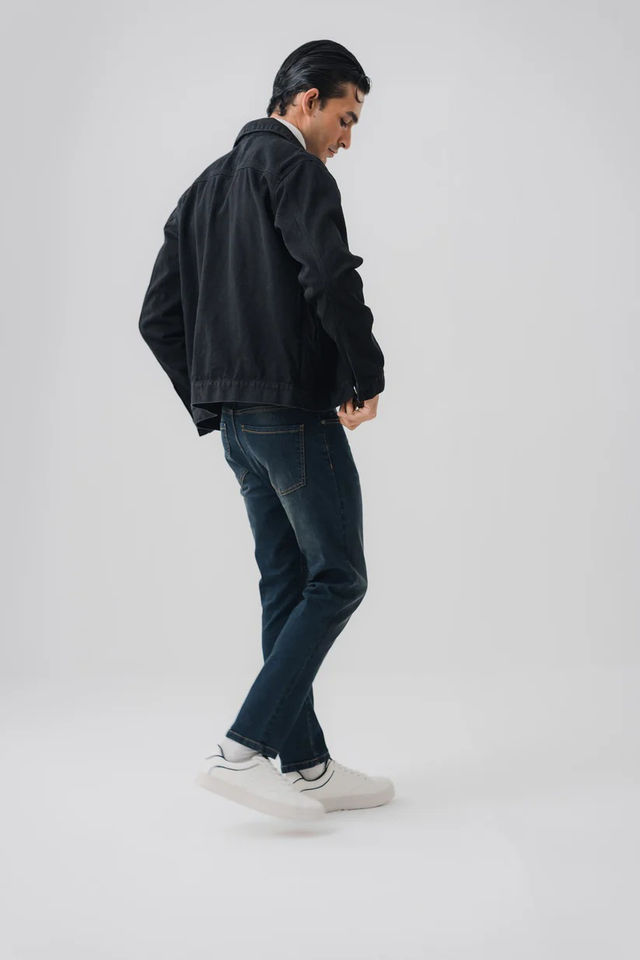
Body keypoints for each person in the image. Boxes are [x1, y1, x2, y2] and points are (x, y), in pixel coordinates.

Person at [139, 39, 394, 820]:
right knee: (339, 579)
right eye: (346, 119)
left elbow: (157, 317)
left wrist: (216, 397)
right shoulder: (296, 171)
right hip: (293, 416)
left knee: (288, 585)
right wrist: (364, 373)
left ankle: (306, 764)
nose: (346, 139)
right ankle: (240, 749)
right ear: (308, 100)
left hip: (240, 429)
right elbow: (330, 277)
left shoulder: (204, 188)